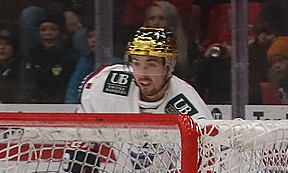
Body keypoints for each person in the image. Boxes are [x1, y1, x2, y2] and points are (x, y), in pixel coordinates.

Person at [78, 25, 212, 116]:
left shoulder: (189, 110)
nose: (142, 74)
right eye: (136, 63)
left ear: (168, 67)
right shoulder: (107, 85)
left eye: (151, 64)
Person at [21, 12, 81, 103]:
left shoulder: (71, 58)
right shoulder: (33, 55)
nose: (48, 33)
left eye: (53, 29)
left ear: (61, 32)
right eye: (43, 30)